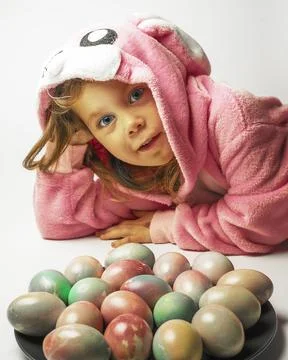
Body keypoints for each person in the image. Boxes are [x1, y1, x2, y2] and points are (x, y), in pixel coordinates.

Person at [23, 14, 288, 255]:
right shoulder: (136, 171)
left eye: (136, 94)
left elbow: (262, 222)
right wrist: (67, 140)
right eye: (105, 120)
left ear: (165, 79)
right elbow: (58, 222)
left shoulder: (235, 119)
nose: (131, 124)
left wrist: (171, 226)